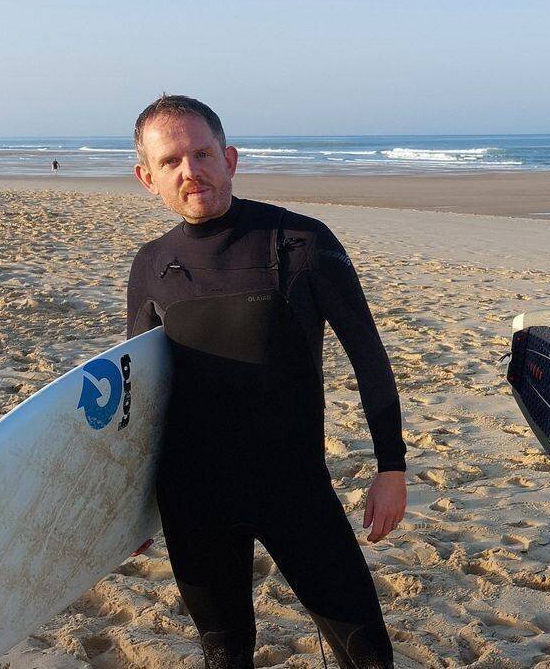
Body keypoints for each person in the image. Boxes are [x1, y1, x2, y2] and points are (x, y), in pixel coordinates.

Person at [126, 94, 406, 669]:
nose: (190, 171)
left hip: (294, 490)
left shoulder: (302, 241)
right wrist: (125, 509)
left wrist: (391, 467)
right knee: (225, 654)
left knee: (368, 654)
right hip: (192, 501)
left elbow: (368, 357)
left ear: (229, 158)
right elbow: (137, 397)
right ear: (146, 177)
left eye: (201, 153)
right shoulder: (150, 264)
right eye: (171, 161)